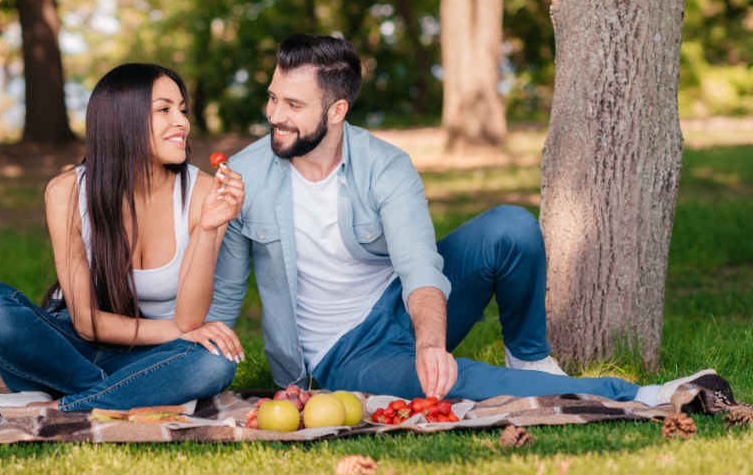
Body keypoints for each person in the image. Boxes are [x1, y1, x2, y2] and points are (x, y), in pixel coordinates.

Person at [206, 33, 711, 405]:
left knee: (511, 227)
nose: (275, 114)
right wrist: (207, 379)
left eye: (294, 104)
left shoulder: (385, 165)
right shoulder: (244, 176)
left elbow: (421, 267)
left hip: (401, 306)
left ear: (337, 111)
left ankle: (530, 357)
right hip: (345, 354)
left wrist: (429, 342)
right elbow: (226, 296)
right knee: (452, 382)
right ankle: (639, 395)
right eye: (273, 96)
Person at [0, 63, 247, 411]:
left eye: (182, 109)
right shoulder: (66, 192)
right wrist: (178, 334)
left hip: (150, 355)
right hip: (66, 349)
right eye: (164, 109)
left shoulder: (206, 194)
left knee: (216, 362)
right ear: (122, 120)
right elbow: (87, 324)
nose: (182, 121)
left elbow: (190, 322)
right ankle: (124, 395)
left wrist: (209, 228)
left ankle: (55, 405)